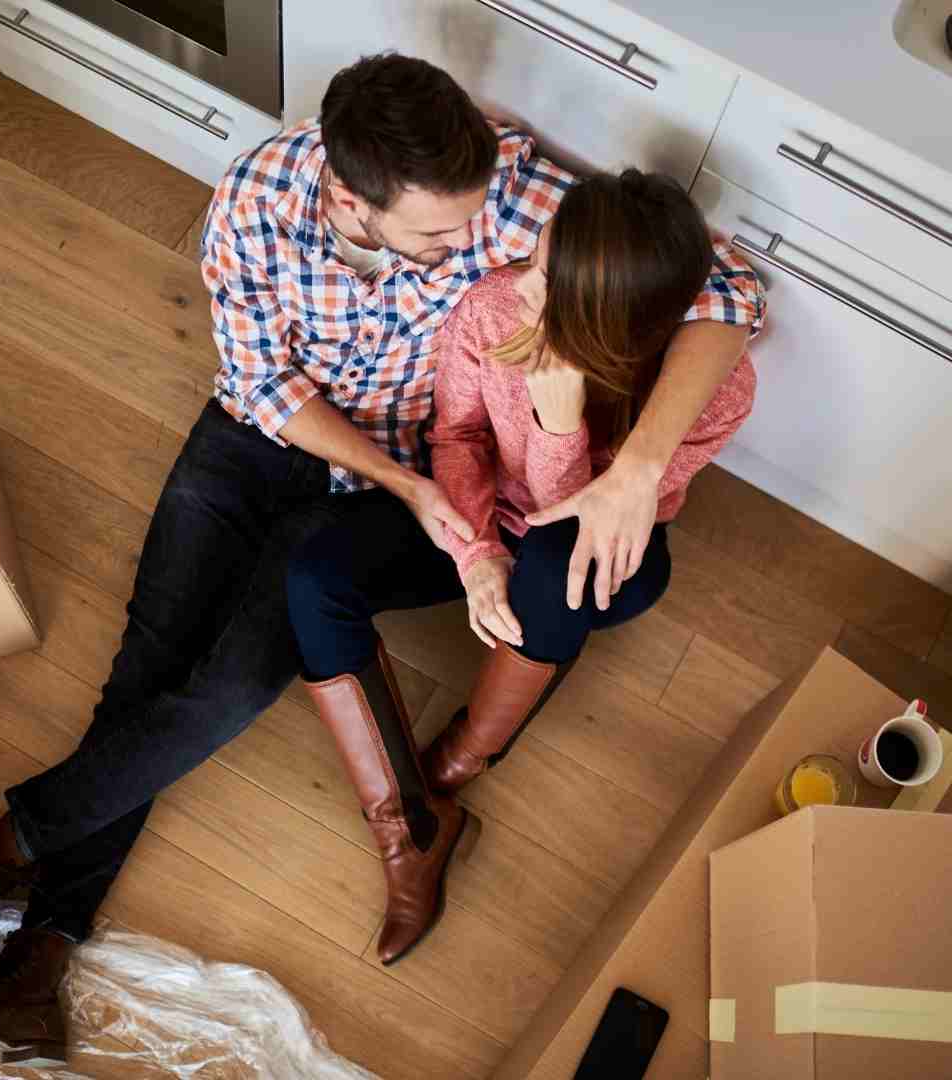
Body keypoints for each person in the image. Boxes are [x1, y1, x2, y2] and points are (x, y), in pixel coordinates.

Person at [0, 54, 762, 1065]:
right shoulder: (256, 200)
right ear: (351, 197)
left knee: (226, 688)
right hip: (272, 439)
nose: (474, 244)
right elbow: (265, 388)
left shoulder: (496, 194)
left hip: (396, 471)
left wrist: (639, 465)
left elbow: (726, 284)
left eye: (475, 222)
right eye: (443, 234)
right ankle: (43, 942)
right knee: (147, 666)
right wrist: (418, 494)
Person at [285, 168, 764, 960]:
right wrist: (474, 556)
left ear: (610, 322)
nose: (523, 288)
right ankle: (412, 829)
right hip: (483, 517)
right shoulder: (493, 305)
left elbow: (572, 512)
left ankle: (466, 753)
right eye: (538, 262)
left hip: (597, 541)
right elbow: (457, 438)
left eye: (546, 281)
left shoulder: (717, 392)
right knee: (315, 576)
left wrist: (558, 417)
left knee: (551, 564)